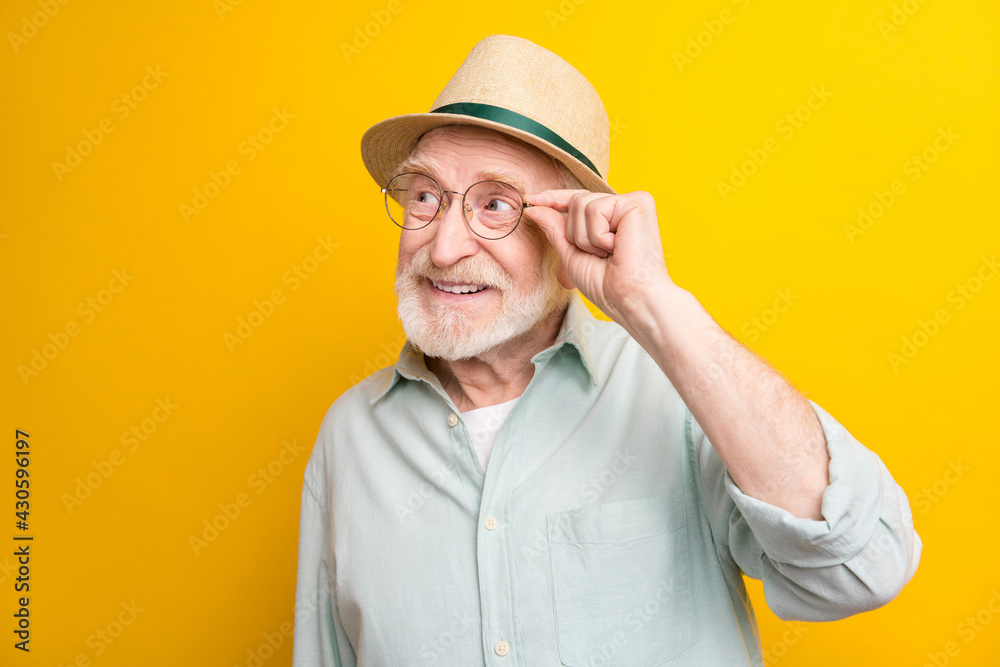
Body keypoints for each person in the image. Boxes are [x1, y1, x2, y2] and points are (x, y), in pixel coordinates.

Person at [292, 34, 921, 666]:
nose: (444, 246)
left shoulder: (673, 392)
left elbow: (862, 566)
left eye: (496, 205)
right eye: (425, 196)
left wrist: (649, 300)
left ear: (569, 227)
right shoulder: (349, 435)